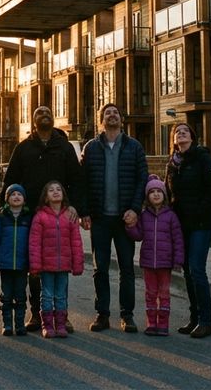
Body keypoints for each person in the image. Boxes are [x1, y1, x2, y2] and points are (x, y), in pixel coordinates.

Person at [1, 104, 83, 332]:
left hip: (59, 217)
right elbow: (10, 180)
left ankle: (61, 315)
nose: (44, 115)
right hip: (31, 216)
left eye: (48, 112)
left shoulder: (64, 148)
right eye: (39, 113)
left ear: (53, 118)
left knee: (59, 266)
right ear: (33, 120)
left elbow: (76, 179)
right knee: (35, 267)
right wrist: (4, 208)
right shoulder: (23, 148)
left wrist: (76, 207)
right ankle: (37, 313)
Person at [80, 102, 148, 333]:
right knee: (100, 269)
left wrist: (135, 210)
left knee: (127, 268)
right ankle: (102, 314)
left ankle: (127, 315)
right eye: (107, 113)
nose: (112, 115)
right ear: (101, 120)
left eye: (115, 112)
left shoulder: (134, 147)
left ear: (121, 119)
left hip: (124, 218)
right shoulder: (91, 148)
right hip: (100, 218)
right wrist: (85, 212)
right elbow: (84, 183)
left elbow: (142, 180)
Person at [164, 122, 211, 339]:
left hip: (201, 224)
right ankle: (194, 318)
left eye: (185, 131)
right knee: (187, 271)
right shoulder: (173, 164)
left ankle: (206, 321)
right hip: (181, 225)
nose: (180, 133)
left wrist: (198, 211)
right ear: (174, 140)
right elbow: (168, 193)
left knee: (197, 269)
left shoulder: (202, 158)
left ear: (192, 137)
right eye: (177, 132)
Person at [125, 175, 185, 336]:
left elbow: (178, 239)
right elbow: (139, 235)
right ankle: (151, 323)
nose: (156, 194)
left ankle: (163, 323)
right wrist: (131, 226)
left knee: (164, 293)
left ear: (164, 195)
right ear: (147, 196)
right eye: (152, 192)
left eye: (159, 191)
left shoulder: (171, 216)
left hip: (165, 263)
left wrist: (179, 259)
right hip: (148, 262)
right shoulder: (144, 216)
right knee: (150, 293)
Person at [27, 180, 84, 338]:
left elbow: (76, 242)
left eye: (59, 189)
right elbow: (34, 243)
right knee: (46, 295)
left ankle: (60, 324)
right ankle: (47, 325)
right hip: (46, 266)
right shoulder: (40, 217)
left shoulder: (69, 216)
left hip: (63, 266)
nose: (55, 192)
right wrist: (35, 266)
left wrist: (77, 264)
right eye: (51, 190)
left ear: (63, 195)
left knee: (60, 296)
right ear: (46, 197)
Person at [0, 183, 32, 336]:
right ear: (7, 199)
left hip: (22, 265)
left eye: (19, 194)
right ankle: (7, 324)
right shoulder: (1, 218)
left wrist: (33, 263)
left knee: (20, 296)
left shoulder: (28, 218)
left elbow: (33, 242)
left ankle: (19, 324)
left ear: (24, 199)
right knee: (6, 296)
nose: (16, 197)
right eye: (12, 194)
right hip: (5, 265)